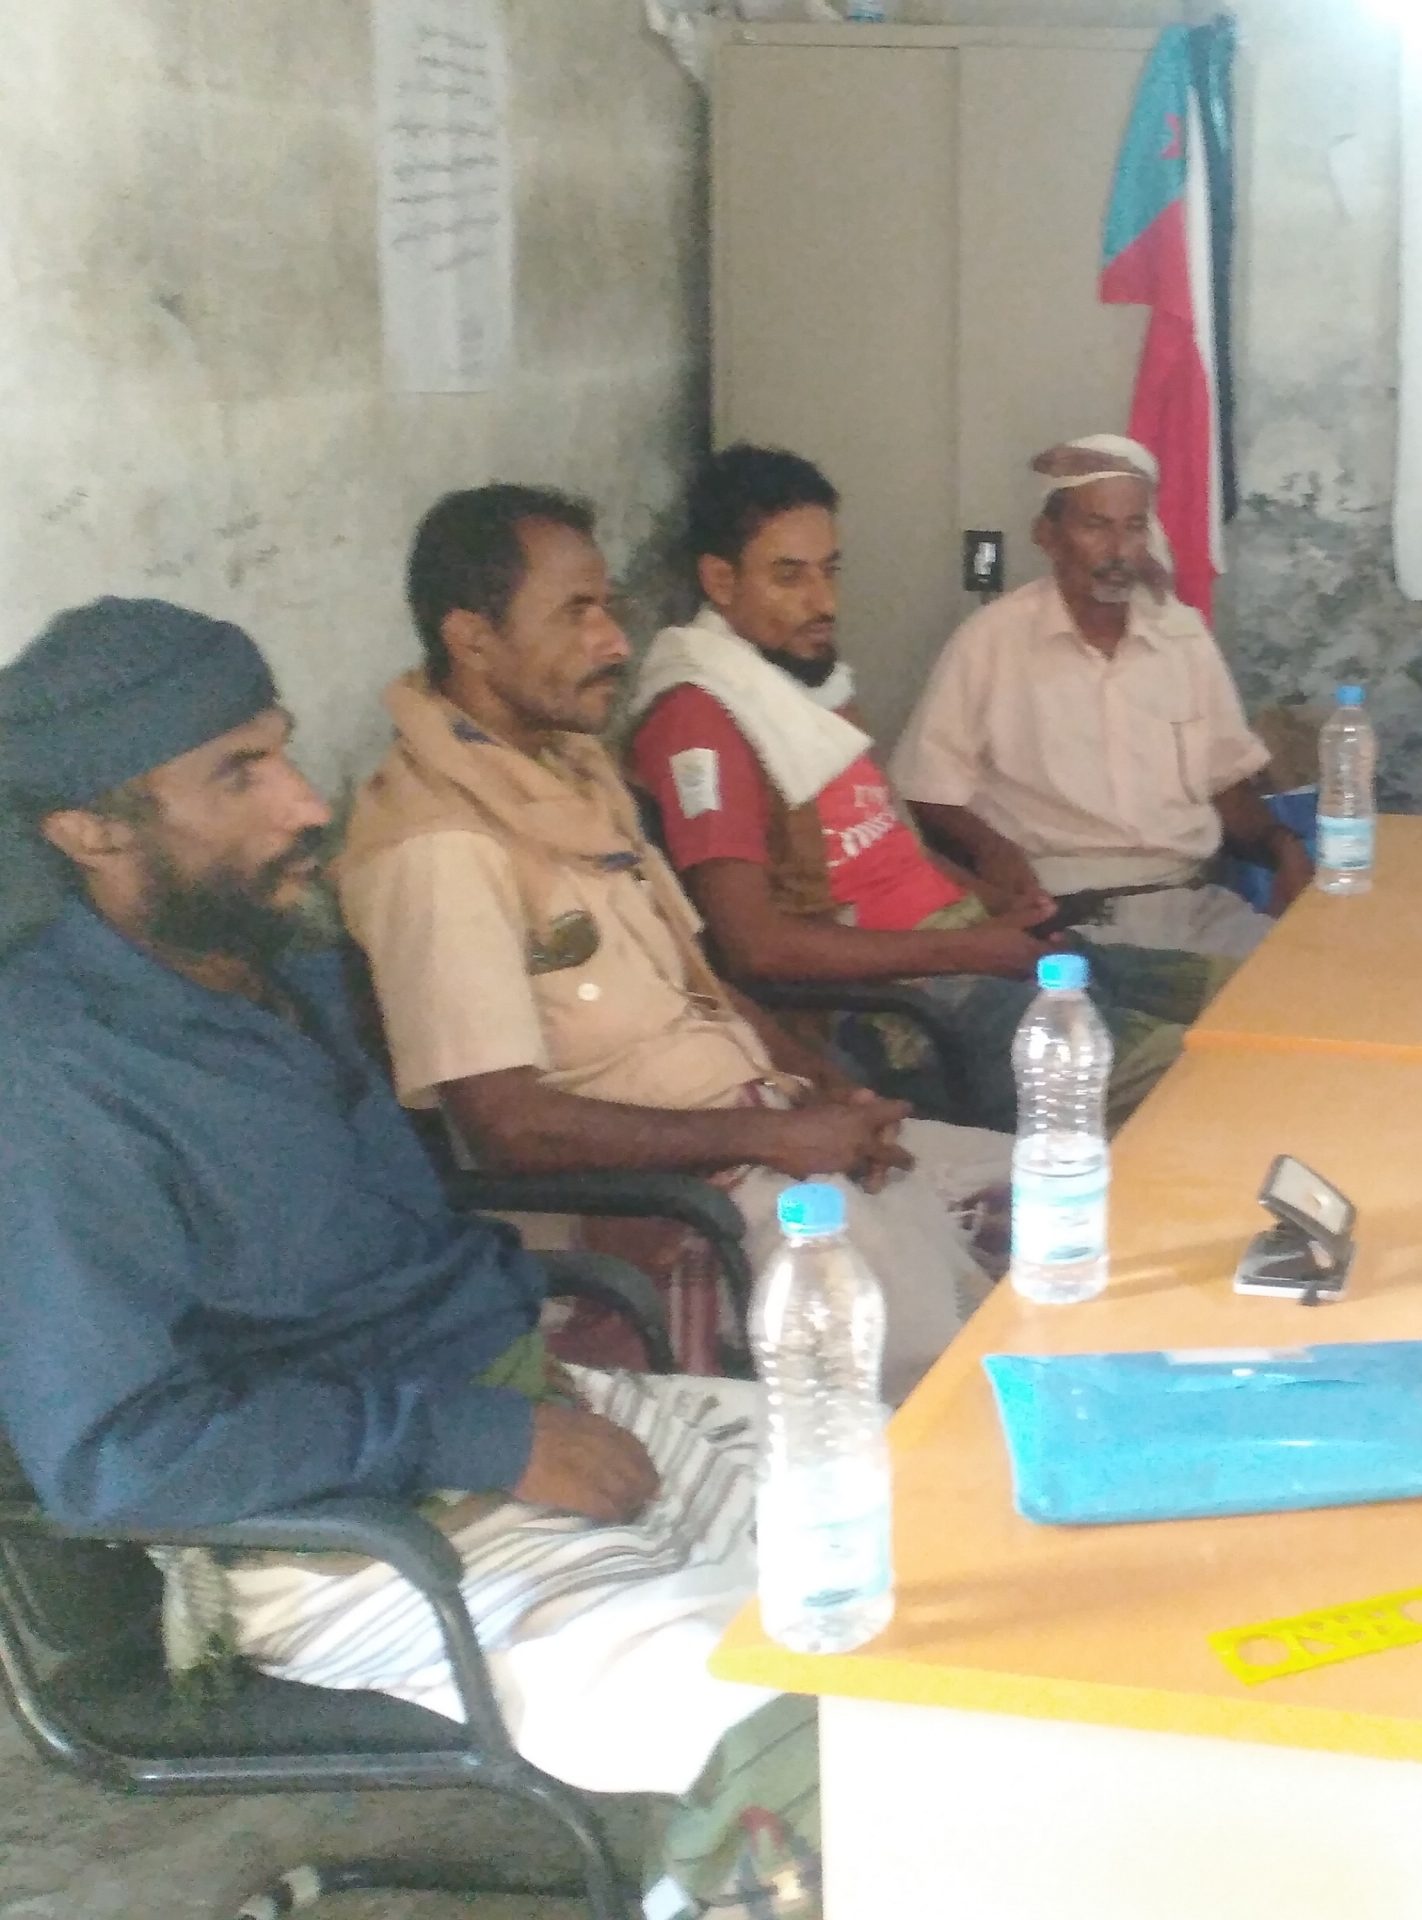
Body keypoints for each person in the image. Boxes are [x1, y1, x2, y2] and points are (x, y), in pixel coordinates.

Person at [0, 598, 822, 1917]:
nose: (305, 802)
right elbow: (118, 1457)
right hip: (364, 1547)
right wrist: (480, 1439)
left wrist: (515, 1408)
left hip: (538, 1415)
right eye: (239, 774)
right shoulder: (54, 1082)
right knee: (828, 1743)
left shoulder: (278, 976)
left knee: (956, 1534)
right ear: (91, 831)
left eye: (282, 749)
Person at [339, 485, 1008, 1386]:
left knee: (1054, 1194)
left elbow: (703, 986)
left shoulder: (568, 777)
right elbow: (509, 1127)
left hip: (756, 1131)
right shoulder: (440, 846)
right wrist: (772, 1140)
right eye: (576, 613)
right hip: (659, 1207)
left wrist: (827, 1089)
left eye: (607, 607)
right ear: (473, 638)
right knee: (960, 1361)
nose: (614, 641)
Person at [626, 445, 1209, 1128]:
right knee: (1200, 1080)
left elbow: (888, 843)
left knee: (1239, 1004)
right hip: (900, 1011)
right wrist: (969, 949)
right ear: (720, 581)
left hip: (968, 949)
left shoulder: (798, 682)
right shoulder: (700, 718)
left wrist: (996, 900)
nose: (824, 601)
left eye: (830, 570)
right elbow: (756, 946)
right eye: (789, 577)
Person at [891, 434, 1309, 960]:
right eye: (1096, 526)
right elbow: (927, 788)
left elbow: (1226, 780)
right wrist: (994, 852)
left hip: (1191, 899)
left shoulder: (1182, 638)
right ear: (1047, 535)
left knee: (1301, 983)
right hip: (1065, 908)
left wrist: (1283, 846)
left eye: (1133, 528)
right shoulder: (991, 641)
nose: (1118, 551)